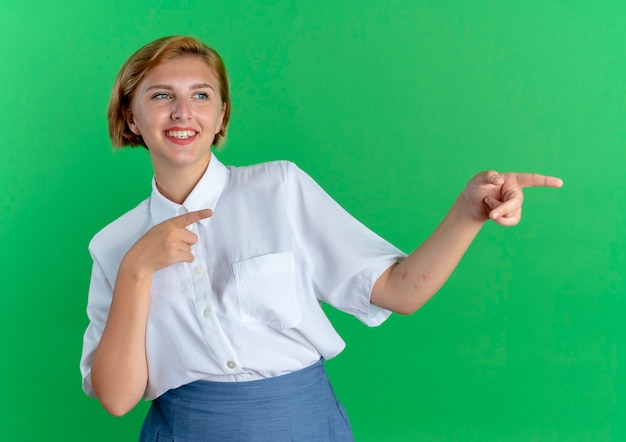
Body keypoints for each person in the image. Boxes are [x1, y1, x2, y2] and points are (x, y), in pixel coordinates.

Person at [79, 35, 563, 441]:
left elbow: (398, 291)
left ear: (222, 115)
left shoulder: (280, 188)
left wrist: (467, 213)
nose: (183, 112)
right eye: (161, 95)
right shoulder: (113, 245)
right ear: (130, 116)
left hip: (302, 426)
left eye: (201, 95)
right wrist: (136, 270)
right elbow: (118, 399)